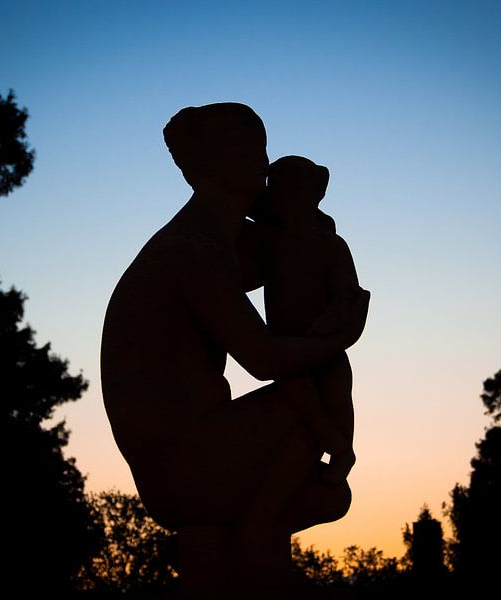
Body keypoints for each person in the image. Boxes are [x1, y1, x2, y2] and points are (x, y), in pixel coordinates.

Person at [100, 103, 369, 594]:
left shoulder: (218, 242)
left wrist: (311, 227)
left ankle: (254, 528)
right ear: (208, 166)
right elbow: (263, 358)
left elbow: (289, 248)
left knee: (329, 491)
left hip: (194, 451)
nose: (264, 166)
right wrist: (339, 337)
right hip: (182, 466)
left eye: (262, 152)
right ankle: (257, 530)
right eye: (249, 153)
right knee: (323, 378)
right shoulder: (192, 250)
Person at [245, 155, 360, 485]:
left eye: (297, 190)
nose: (288, 199)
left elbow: (348, 292)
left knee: (337, 384)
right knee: (296, 388)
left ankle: (341, 451)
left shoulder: (331, 246)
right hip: (285, 347)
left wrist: (332, 319)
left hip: (324, 344)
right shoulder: (270, 242)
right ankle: (331, 443)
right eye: (278, 192)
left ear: (316, 192)